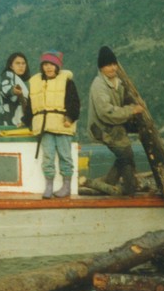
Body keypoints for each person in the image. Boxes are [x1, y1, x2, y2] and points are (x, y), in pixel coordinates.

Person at [87, 46, 144, 196]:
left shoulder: (118, 82)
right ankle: (130, 189)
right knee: (125, 155)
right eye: (108, 65)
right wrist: (131, 110)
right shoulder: (98, 85)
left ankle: (108, 184)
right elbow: (106, 112)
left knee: (125, 155)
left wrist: (135, 105)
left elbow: (125, 100)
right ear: (101, 68)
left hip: (115, 126)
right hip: (103, 128)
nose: (112, 68)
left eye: (114, 64)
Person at [23, 50, 80, 199]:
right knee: (48, 157)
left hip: (63, 125)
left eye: (52, 64)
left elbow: (74, 103)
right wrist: (26, 121)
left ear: (57, 66)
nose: (48, 68)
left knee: (65, 156)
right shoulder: (36, 83)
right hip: (44, 127)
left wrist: (70, 118)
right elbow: (31, 105)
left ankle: (66, 186)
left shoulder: (67, 82)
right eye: (45, 64)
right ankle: (49, 186)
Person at [0, 52, 30, 126]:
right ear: (11, 66)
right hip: (9, 123)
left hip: (20, 121)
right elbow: (5, 88)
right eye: (17, 63)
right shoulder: (8, 75)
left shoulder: (20, 80)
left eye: (23, 63)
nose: (21, 66)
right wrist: (13, 90)